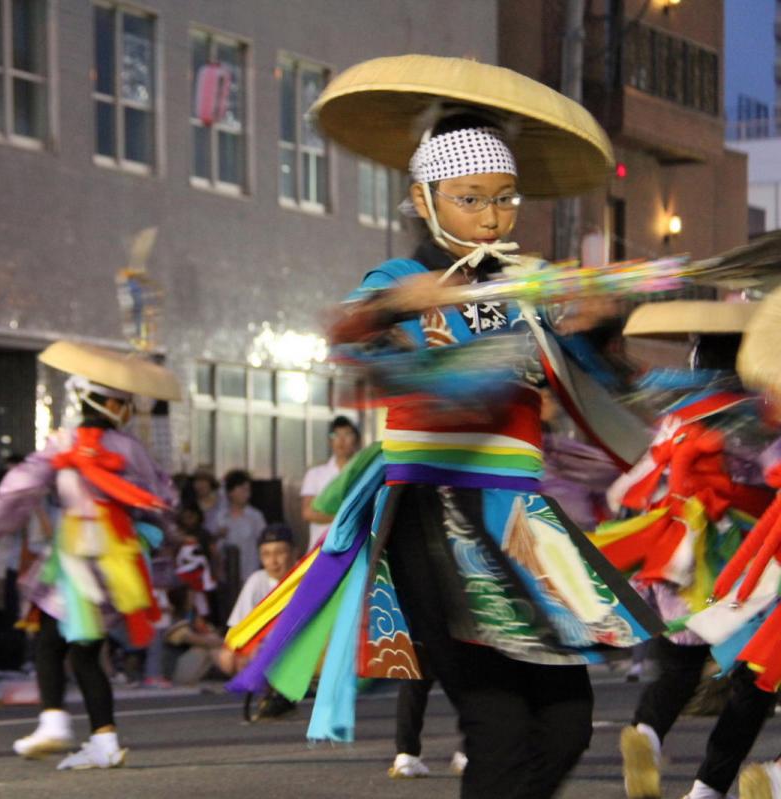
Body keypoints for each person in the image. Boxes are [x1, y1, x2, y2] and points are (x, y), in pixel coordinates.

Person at [225, 55, 661, 799]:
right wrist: (401, 302)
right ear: (423, 201)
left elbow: (607, 390)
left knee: (566, 722)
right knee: (495, 722)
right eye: (469, 199)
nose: (491, 217)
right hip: (436, 517)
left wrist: (604, 320)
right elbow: (353, 333)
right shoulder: (398, 278)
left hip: (525, 519)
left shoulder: (530, 289)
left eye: (504, 199)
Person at [0, 340, 178, 770]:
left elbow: (22, 482)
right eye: (123, 405)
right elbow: (162, 497)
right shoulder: (132, 450)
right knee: (84, 650)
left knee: (50, 641)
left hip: (76, 556)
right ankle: (104, 739)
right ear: (112, 407)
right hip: (114, 561)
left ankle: (54, 721)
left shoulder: (64, 442)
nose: (127, 411)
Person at [586, 302, 773, 799]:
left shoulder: (675, 416)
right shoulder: (752, 420)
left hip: (676, 553)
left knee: (678, 667)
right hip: (739, 564)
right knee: (754, 679)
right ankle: (709, 787)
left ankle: (646, 731)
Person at [216, 524, 297, 678]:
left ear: (294, 553)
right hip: (265, 645)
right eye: (266, 554)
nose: (273, 561)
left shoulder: (306, 578)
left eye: (279, 553)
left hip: (298, 644)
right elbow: (240, 626)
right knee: (228, 657)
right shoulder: (257, 580)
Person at [300, 417, 361, 552]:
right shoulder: (315, 474)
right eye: (336, 435)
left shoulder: (364, 473)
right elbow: (308, 513)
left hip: (354, 547)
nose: (341, 440)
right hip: (320, 548)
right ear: (330, 441)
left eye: (347, 434)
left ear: (356, 439)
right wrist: (343, 518)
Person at [212, 469, 266, 596]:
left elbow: (263, 541)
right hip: (226, 575)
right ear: (230, 492)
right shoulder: (220, 516)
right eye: (242, 490)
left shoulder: (255, 516)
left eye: (248, 490)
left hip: (249, 573)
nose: (246, 494)